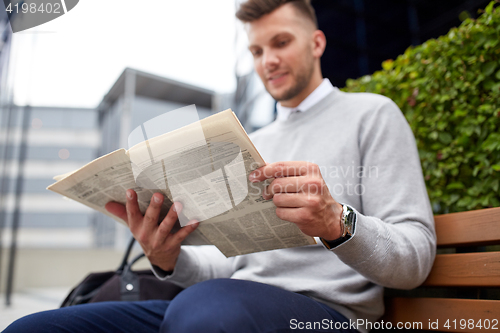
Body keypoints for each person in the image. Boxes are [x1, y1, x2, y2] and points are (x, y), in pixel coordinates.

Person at [4, 1, 436, 332]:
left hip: (325, 315)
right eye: (257, 49)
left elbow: (415, 259)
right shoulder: (254, 141)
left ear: (317, 43)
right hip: (221, 306)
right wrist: (168, 258)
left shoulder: (372, 115)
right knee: (34, 327)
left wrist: (337, 221)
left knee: (205, 309)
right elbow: (228, 267)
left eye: (281, 42)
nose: (267, 60)